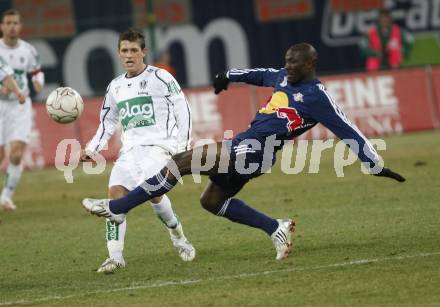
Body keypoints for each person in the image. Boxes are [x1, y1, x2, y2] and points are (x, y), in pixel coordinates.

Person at [82, 43, 405, 261]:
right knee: (211, 201)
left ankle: (118, 206)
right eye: (287, 60)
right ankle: (275, 227)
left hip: (254, 152)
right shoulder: (282, 77)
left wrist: (373, 163)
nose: (288, 66)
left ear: (311, 64)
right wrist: (227, 76)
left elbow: (347, 129)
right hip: (245, 146)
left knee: (181, 162)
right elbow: (256, 74)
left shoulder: (317, 96)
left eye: (295, 62)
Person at [80, 28, 195, 273]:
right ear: (119, 54)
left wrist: (183, 147)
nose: (129, 55)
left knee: (155, 195)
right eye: (124, 50)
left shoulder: (161, 77)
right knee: (115, 196)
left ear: (144, 52)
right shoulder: (115, 87)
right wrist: (93, 149)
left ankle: (178, 236)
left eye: (134, 50)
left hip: (158, 147)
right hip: (129, 151)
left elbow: (182, 109)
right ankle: (115, 256)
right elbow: (108, 122)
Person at [0, 9, 44, 211]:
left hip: (20, 106)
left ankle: (6, 197)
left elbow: (36, 70)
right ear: (2, 26)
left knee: (17, 154)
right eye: (8, 23)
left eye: (15, 23)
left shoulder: (28, 50)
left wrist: (37, 82)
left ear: (20, 26)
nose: (12, 27)